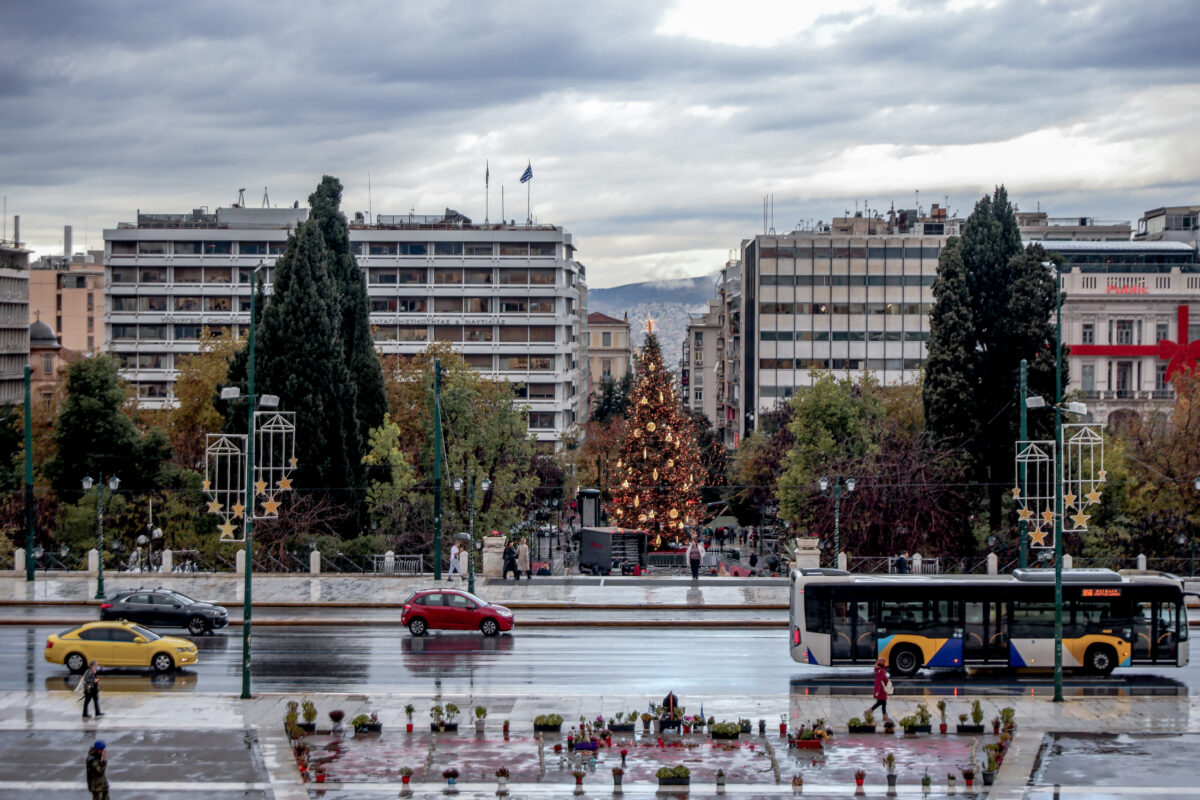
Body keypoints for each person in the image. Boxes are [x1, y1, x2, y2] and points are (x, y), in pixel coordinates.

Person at [868, 656, 891, 721]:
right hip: (881, 690)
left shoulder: (881, 670)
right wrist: (877, 691)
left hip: (882, 689)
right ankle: (869, 711)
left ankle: (883, 716)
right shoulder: (880, 671)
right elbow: (878, 681)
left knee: (882, 702)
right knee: (882, 702)